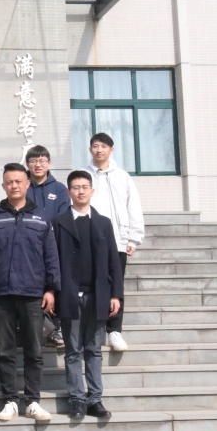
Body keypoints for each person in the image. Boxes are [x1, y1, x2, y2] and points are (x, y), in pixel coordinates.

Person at [0, 163, 61, 422]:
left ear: (27, 184)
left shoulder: (42, 217)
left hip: (32, 294)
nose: (14, 186)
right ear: (3, 186)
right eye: (9, 182)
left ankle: (33, 401)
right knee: (5, 351)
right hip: (1, 294)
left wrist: (51, 289)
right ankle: (10, 401)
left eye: (18, 181)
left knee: (34, 351)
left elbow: (51, 256)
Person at [52, 171, 123, 420]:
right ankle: (76, 399)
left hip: (97, 296)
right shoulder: (58, 222)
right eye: (75, 187)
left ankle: (95, 400)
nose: (80, 191)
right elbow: (52, 261)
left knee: (94, 350)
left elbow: (114, 261)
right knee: (72, 350)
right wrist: (52, 291)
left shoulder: (103, 223)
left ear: (92, 191)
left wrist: (116, 295)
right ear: (68, 192)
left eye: (85, 187)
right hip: (69, 295)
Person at [84, 133, 144, 353]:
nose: (99, 150)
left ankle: (114, 331)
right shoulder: (83, 176)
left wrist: (134, 237)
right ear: (90, 149)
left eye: (103, 146)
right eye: (95, 146)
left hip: (117, 240)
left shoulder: (122, 177)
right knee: (90, 284)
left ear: (112, 150)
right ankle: (92, 328)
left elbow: (133, 206)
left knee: (116, 286)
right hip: (89, 240)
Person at [25, 145, 70, 350]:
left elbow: (63, 218)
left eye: (42, 161)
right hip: (28, 247)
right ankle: (41, 329)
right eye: (33, 161)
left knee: (54, 286)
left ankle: (54, 329)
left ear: (49, 163)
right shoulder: (23, 185)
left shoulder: (59, 189)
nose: (38, 165)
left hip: (54, 246)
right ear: (28, 164)